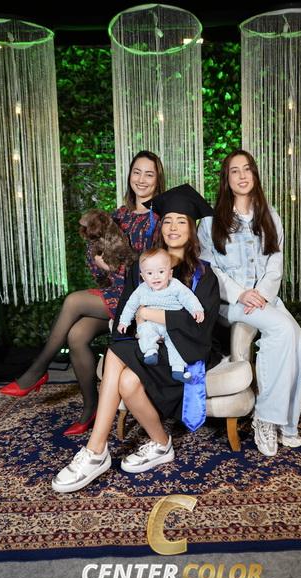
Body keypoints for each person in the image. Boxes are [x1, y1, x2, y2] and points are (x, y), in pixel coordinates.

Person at [51, 184, 220, 493]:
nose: (173, 227)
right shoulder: (143, 266)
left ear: (192, 229)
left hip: (183, 351)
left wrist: (149, 313)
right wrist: (137, 321)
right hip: (145, 343)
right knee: (125, 373)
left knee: (118, 358)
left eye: (181, 221)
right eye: (168, 221)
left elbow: (200, 327)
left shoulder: (204, 275)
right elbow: (125, 316)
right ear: (160, 226)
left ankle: (95, 450)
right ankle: (160, 444)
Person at [0, 150, 165, 436]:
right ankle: (91, 408)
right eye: (137, 172)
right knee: (76, 335)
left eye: (149, 174)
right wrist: (100, 264)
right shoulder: (118, 215)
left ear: (157, 180)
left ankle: (37, 370)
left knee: (73, 301)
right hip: (113, 293)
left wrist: (113, 268)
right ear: (129, 175)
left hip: (138, 297)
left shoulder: (159, 221)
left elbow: (152, 270)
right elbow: (96, 258)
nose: (141, 179)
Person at [197, 149, 301, 458]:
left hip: (265, 298)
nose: (242, 175)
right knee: (282, 331)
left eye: (247, 169)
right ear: (226, 179)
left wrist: (260, 294)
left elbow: (275, 265)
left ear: (255, 175)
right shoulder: (210, 222)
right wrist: (240, 293)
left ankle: (286, 424)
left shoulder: (270, 216)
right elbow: (210, 270)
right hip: (231, 303)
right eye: (234, 171)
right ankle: (265, 417)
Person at [117, 248, 205, 382]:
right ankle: (151, 351)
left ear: (170, 273)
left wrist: (196, 310)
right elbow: (130, 306)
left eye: (161, 272)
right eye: (150, 273)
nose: (156, 277)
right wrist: (124, 321)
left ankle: (178, 369)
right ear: (143, 277)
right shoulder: (141, 290)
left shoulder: (175, 286)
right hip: (152, 324)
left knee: (176, 344)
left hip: (171, 325)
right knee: (144, 329)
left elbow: (188, 298)